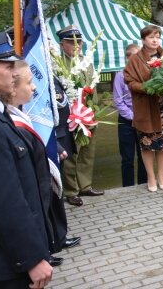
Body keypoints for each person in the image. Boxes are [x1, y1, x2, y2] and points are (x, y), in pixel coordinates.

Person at [3, 60, 81, 265]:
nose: (35, 86)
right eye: (29, 82)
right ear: (11, 89)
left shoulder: (17, 114)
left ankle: (52, 241)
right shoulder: (7, 122)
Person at [0, 31, 53, 288]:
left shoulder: (0, 116)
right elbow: (5, 200)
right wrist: (31, 258)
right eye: (8, 66)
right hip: (9, 265)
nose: (14, 73)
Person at [56, 25, 104, 207]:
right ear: (62, 44)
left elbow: (94, 89)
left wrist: (94, 112)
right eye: (71, 42)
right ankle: (71, 190)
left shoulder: (86, 61)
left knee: (87, 152)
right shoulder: (57, 64)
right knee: (71, 154)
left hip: (88, 113)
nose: (76, 46)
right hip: (70, 116)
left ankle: (85, 185)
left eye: (79, 42)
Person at [123, 25, 163, 192]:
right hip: (146, 107)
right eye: (151, 37)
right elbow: (129, 81)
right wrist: (146, 87)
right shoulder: (135, 59)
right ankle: (151, 177)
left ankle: (161, 175)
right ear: (143, 39)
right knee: (147, 144)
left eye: (158, 37)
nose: (155, 40)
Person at [113, 43, 147, 187]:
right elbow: (118, 101)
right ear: (128, 58)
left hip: (144, 120)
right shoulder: (120, 76)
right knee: (127, 157)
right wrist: (133, 117)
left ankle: (143, 182)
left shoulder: (145, 74)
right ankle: (128, 187)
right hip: (127, 122)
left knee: (144, 154)